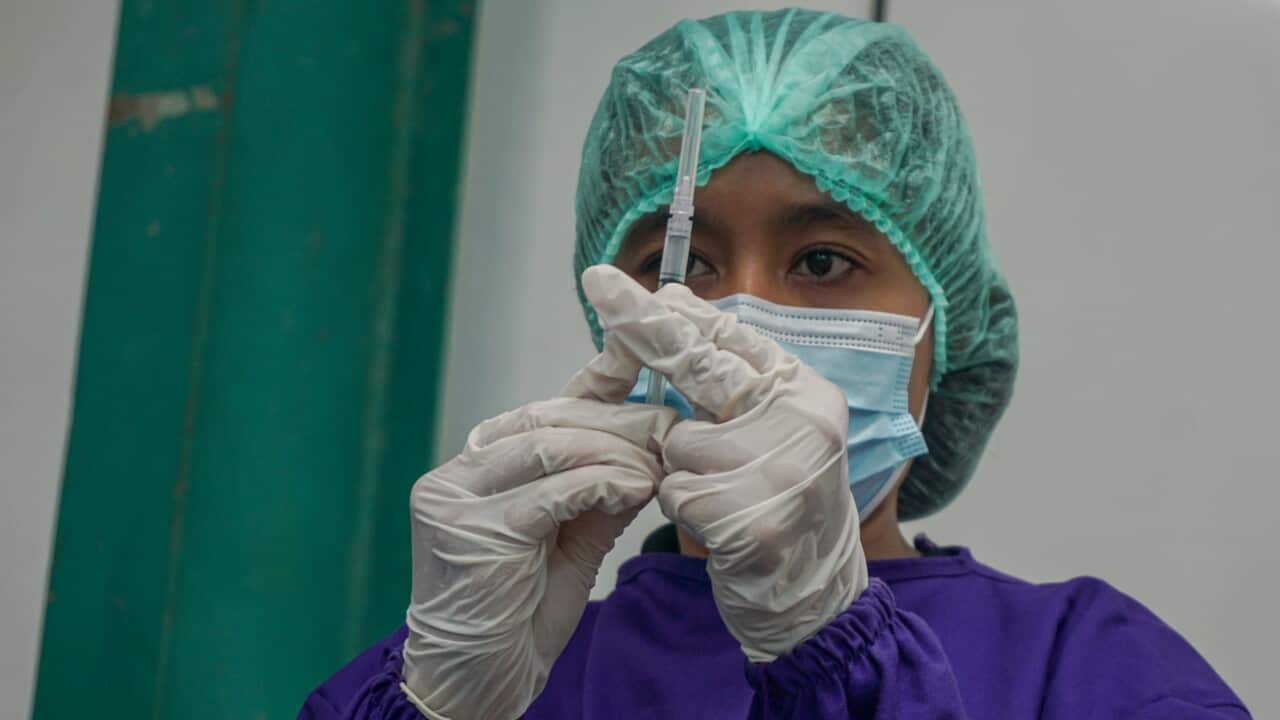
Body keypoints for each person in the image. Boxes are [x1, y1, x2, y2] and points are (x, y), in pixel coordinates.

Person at [300, 9, 1250, 719]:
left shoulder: (1090, 668)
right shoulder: (482, 674)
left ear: (945, 323)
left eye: (823, 261)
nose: (736, 324)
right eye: (684, 266)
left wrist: (840, 661)